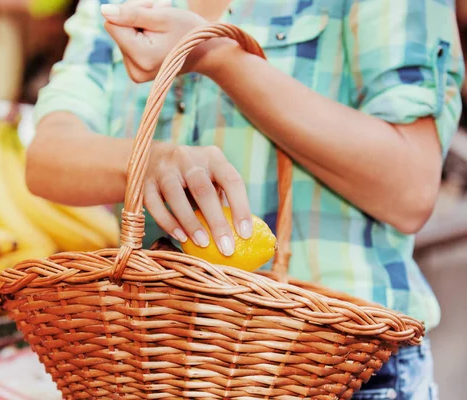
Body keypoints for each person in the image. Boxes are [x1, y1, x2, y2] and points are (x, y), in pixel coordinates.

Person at [27, 0, 464, 397]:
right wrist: (146, 163)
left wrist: (217, 57)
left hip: (339, 369)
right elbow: (46, 159)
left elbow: (410, 189)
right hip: (163, 364)